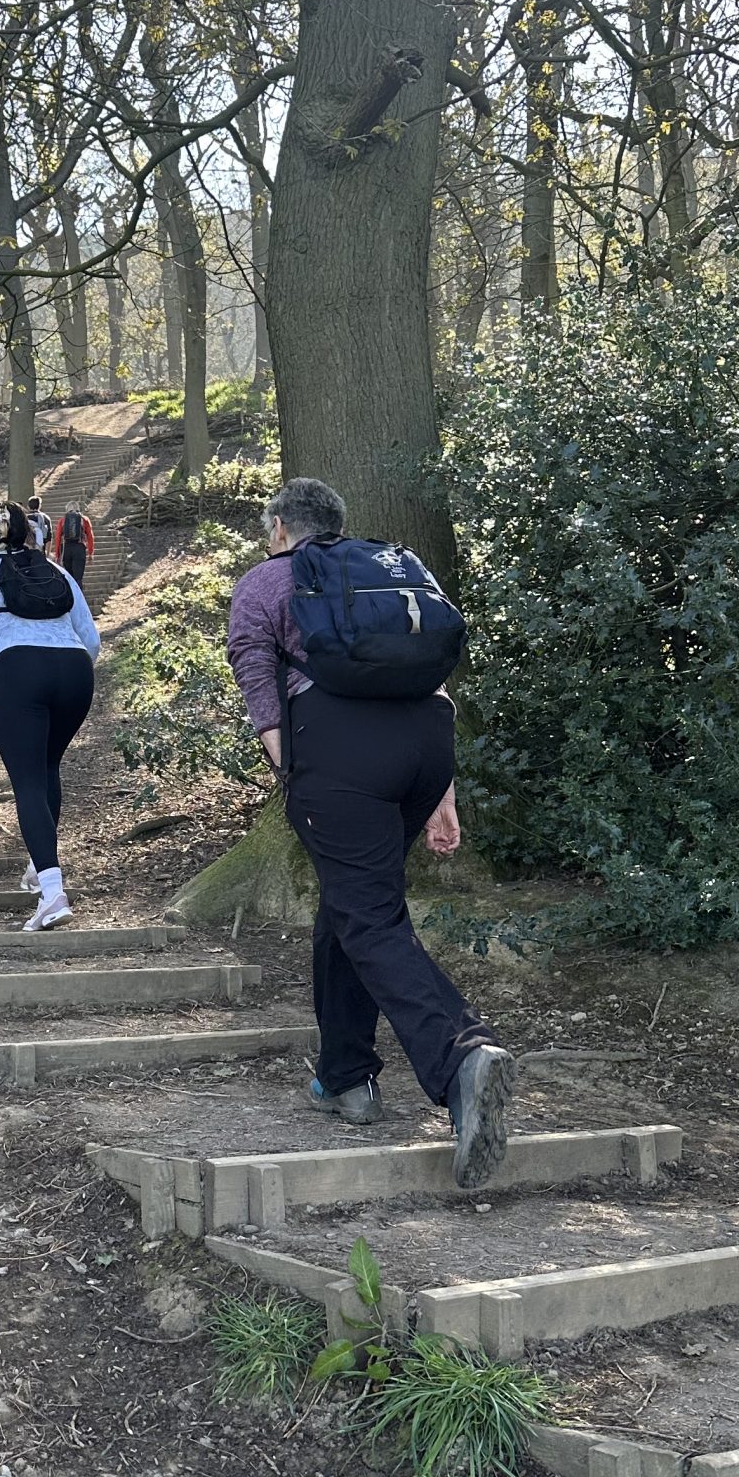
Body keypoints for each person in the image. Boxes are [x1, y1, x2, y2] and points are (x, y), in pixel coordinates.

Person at [226, 474, 514, 1190]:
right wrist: (442, 790)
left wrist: (290, 768)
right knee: (349, 905)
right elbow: (424, 672)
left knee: (368, 915)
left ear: (280, 528)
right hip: (424, 744)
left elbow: (257, 676)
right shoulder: (385, 570)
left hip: (339, 751)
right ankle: (345, 1076)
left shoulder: (266, 582)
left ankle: (461, 1056)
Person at [0, 502, 101, 931]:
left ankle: (53, 894)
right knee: (47, 767)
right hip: (75, 671)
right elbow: (92, 639)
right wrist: (71, 672)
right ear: (28, 533)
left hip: (21, 670)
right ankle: (41, 867)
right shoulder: (57, 572)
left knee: (27, 781)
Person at [52, 499, 94, 585]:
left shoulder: (62, 520)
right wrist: (90, 553)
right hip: (79, 549)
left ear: (67, 509)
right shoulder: (84, 519)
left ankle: (71, 593)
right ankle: (79, 592)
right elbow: (90, 537)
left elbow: (57, 538)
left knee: (69, 578)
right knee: (78, 578)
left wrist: (57, 555)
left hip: (66, 549)